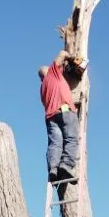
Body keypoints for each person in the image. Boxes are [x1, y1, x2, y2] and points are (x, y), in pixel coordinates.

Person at [38, 50, 80, 184]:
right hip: (65, 111)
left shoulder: (43, 88)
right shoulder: (53, 73)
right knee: (71, 139)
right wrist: (73, 57)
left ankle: (53, 169)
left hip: (51, 117)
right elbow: (62, 53)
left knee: (55, 144)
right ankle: (66, 165)